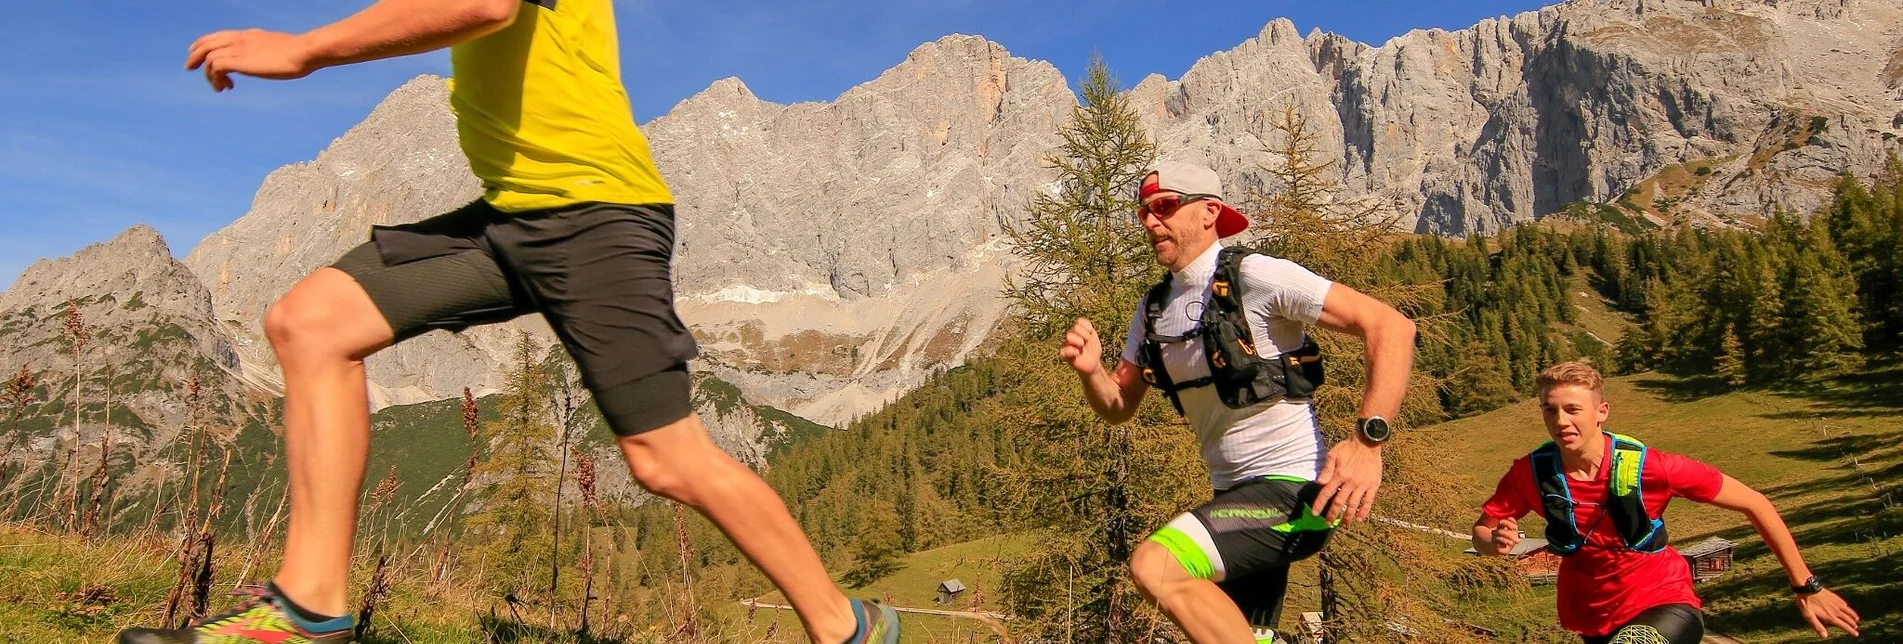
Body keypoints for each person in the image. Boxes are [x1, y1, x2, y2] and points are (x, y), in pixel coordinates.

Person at [121, 1, 899, 642]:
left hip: (597, 219)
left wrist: (305, 50)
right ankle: (308, 609)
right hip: (510, 220)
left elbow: (481, 7)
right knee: (310, 322)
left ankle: (846, 628)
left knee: (666, 461)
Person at [1061, 160, 1417, 644]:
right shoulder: (1153, 309)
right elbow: (1119, 404)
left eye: (1164, 207)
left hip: (1298, 496)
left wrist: (1367, 441)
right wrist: (1092, 373)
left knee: (1157, 566)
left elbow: (1391, 327)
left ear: (1210, 212)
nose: (1150, 221)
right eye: (1143, 211)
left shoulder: (1257, 276)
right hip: (1234, 501)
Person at [1472, 361, 1861, 644]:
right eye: (1549, 409)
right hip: (1590, 616)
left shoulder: (1653, 468)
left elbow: (1756, 503)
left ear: (1601, 412)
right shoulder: (1531, 473)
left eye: (1572, 409)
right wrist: (1493, 543)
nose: (1560, 421)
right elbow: (1484, 530)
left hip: (1663, 600)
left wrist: (1806, 586)